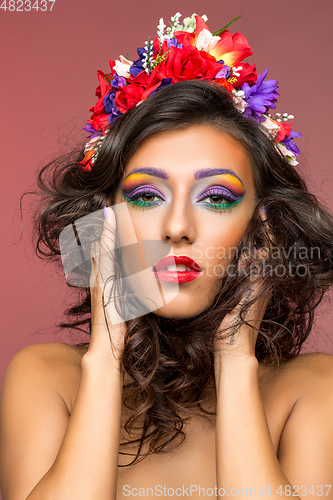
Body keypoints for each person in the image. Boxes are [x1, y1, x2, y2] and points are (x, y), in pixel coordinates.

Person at [1, 12, 333, 500]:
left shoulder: (313, 391)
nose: (177, 228)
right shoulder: (48, 378)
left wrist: (236, 360)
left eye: (216, 197)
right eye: (146, 196)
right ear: (103, 220)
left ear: (265, 229)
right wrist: (106, 359)